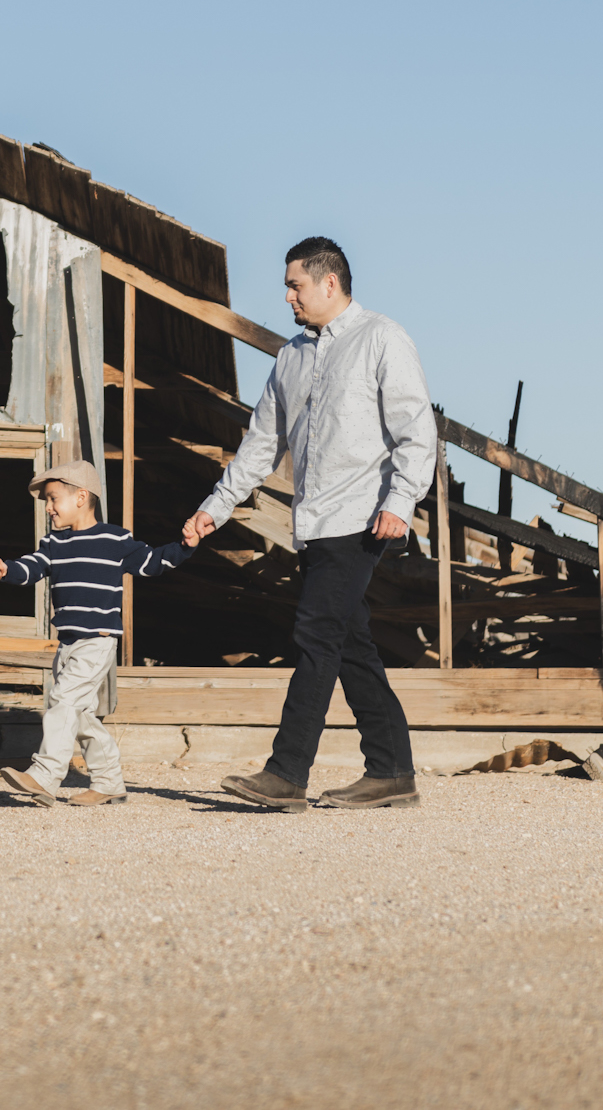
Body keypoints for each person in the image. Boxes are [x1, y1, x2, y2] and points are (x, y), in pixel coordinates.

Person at [183, 237, 435, 812]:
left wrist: (400, 501)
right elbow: (261, 445)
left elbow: (416, 430)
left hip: (365, 518)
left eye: (295, 284)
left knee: (316, 633)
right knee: (350, 644)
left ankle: (286, 773)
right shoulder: (289, 357)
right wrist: (214, 508)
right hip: (314, 523)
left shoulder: (381, 338)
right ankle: (392, 772)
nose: (287, 295)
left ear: (330, 283)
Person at [0, 460, 192, 806]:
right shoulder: (54, 544)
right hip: (66, 644)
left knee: (63, 702)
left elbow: (151, 562)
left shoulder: (116, 539)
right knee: (78, 715)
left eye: (52, 499)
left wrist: (185, 546)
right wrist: (4, 569)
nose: (48, 507)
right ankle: (109, 782)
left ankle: (45, 776)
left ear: (81, 497)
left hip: (97, 641)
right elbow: (29, 569)